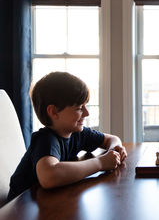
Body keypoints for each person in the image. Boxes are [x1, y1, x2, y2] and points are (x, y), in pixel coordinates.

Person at [7, 72, 127, 201]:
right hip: (20, 210)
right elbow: (49, 177)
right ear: (53, 112)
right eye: (79, 108)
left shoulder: (77, 133)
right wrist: (100, 163)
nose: (86, 113)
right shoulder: (45, 139)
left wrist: (114, 150)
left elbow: (112, 139)